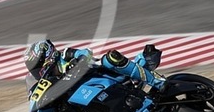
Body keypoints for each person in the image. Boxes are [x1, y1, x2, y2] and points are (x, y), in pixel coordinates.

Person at [23, 39, 166, 95]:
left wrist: (78, 61)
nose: (36, 70)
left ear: (47, 55)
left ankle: (157, 81)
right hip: (86, 92)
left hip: (100, 73)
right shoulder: (47, 79)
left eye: (36, 64)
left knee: (110, 58)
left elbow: (86, 52)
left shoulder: (65, 55)